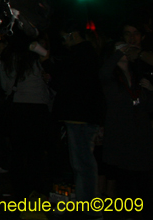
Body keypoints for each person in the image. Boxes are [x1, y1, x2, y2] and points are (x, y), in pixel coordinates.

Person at [43, 24, 103, 219]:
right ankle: (87, 202)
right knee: (84, 162)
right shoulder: (89, 54)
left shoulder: (79, 56)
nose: (64, 42)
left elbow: (66, 84)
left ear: (72, 35)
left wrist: (48, 66)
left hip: (79, 116)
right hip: (85, 115)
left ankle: (89, 206)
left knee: (82, 163)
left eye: (65, 37)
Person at [99, 37, 153, 218]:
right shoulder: (111, 79)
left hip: (141, 136)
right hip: (121, 136)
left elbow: (147, 108)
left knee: (143, 180)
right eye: (119, 51)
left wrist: (150, 92)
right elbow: (104, 71)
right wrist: (121, 51)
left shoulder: (139, 77)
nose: (124, 53)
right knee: (124, 181)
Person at [0, 37, 54, 200]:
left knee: (18, 152)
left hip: (19, 107)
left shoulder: (10, 59)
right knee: (36, 152)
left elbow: (5, 86)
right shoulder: (39, 58)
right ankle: (38, 189)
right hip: (38, 108)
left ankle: (20, 191)